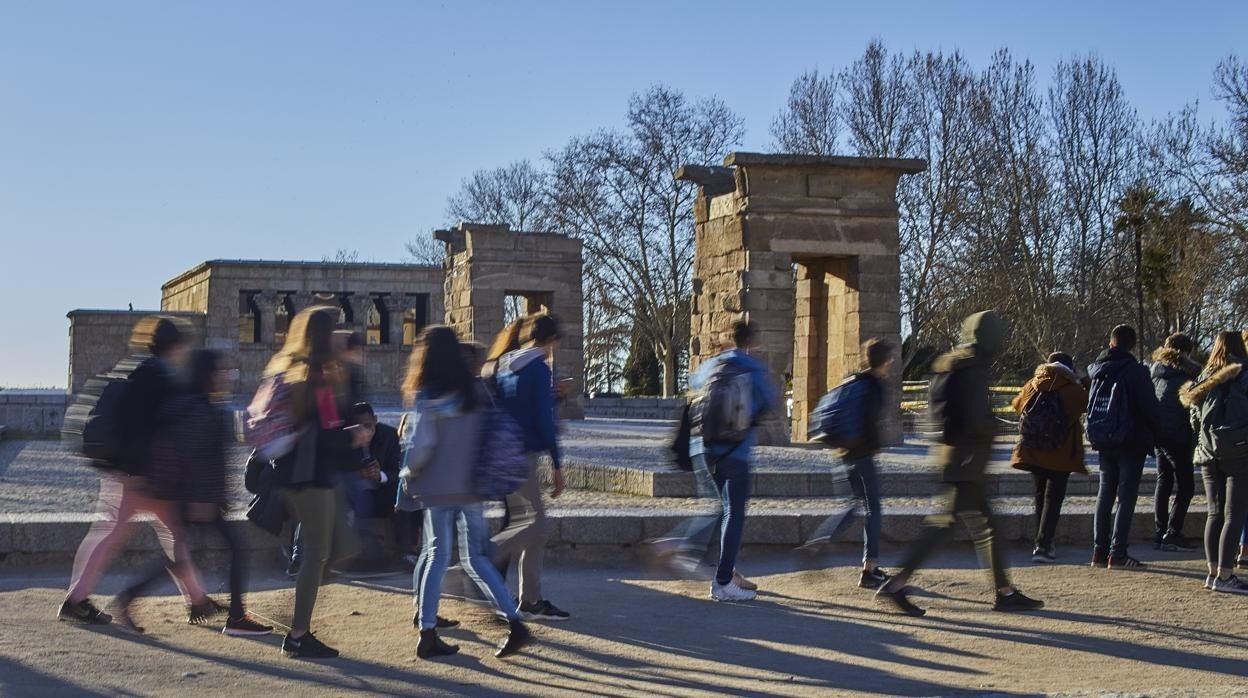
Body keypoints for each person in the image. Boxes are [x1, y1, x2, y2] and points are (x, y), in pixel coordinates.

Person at [876, 310, 1043, 616]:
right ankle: (896, 585)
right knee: (944, 527)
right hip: (966, 462)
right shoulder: (975, 367)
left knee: (979, 526)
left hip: (951, 457)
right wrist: (1002, 427)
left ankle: (1004, 591)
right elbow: (976, 420)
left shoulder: (950, 362)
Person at [59, 316, 214, 627]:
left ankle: (76, 598)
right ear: (176, 346)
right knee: (172, 534)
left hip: (121, 470)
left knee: (109, 533)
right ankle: (197, 600)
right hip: (143, 475)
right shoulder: (161, 377)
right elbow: (159, 430)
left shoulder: (132, 368)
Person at [114, 349, 273, 635]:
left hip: (193, 497)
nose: (227, 377)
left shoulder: (190, 405)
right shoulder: (198, 410)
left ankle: (129, 598)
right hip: (197, 499)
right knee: (234, 550)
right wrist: (202, 500)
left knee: (180, 557)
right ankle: (236, 618)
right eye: (222, 371)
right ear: (208, 375)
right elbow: (195, 458)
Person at [397, 325, 531, 659]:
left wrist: (407, 473)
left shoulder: (430, 394)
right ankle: (514, 622)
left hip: (439, 488)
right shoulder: (476, 391)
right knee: (476, 559)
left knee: (437, 555)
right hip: (471, 486)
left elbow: (423, 445)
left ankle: (427, 632)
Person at [263, 306, 371, 659]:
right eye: (335, 327)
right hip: (311, 474)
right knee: (320, 552)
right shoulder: (316, 376)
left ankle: (298, 613)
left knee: (339, 547)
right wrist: (352, 436)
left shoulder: (292, 367)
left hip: (300, 472)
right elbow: (324, 433)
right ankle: (297, 634)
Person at [690, 320, 778, 602]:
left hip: (706, 447)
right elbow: (769, 401)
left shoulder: (714, 364)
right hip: (737, 451)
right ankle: (724, 581)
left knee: (720, 509)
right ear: (752, 342)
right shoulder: (753, 368)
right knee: (733, 513)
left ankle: (722, 567)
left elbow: (694, 385)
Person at [490, 314, 571, 621]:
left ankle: (527, 597)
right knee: (535, 527)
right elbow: (543, 421)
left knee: (526, 524)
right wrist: (558, 464)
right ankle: (487, 571)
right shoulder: (538, 369)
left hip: (502, 453)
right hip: (523, 456)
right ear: (551, 341)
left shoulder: (507, 364)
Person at [802, 338, 897, 589]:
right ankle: (870, 569)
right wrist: (875, 446)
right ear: (885, 360)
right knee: (873, 509)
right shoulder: (875, 386)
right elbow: (870, 422)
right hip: (862, 455)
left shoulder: (852, 381)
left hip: (843, 452)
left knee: (851, 505)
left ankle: (819, 540)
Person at [1086, 325, 1163, 570]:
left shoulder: (1096, 371)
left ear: (1110, 344)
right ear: (1132, 346)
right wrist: (1158, 434)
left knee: (1104, 493)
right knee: (1126, 496)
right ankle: (1118, 553)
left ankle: (1099, 551)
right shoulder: (1136, 372)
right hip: (1131, 440)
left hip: (1104, 438)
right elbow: (1150, 408)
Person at [1179, 331, 1248, 594]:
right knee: (1234, 514)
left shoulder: (1204, 377)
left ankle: (1212, 572)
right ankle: (1226, 574)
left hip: (1207, 451)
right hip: (1240, 450)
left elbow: (1195, 419)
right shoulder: (1244, 373)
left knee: (1214, 513)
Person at [1009, 352, 1088, 564]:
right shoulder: (1072, 389)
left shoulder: (1032, 384)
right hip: (1060, 451)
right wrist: (1082, 377)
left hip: (1034, 449)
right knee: (1053, 498)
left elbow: (1017, 404)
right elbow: (1089, 400)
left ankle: (1040, 542)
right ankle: (1044, 545)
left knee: (1039, 495)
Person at [1151, 333, 1202, 552]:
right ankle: (1173, 532)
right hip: (1178, 436)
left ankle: (1160, 532)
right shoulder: (1188, 375)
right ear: (1186, 352)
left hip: (1158, 434)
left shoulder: (1157, 373)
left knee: (1163, 482)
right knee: (1186, 486)